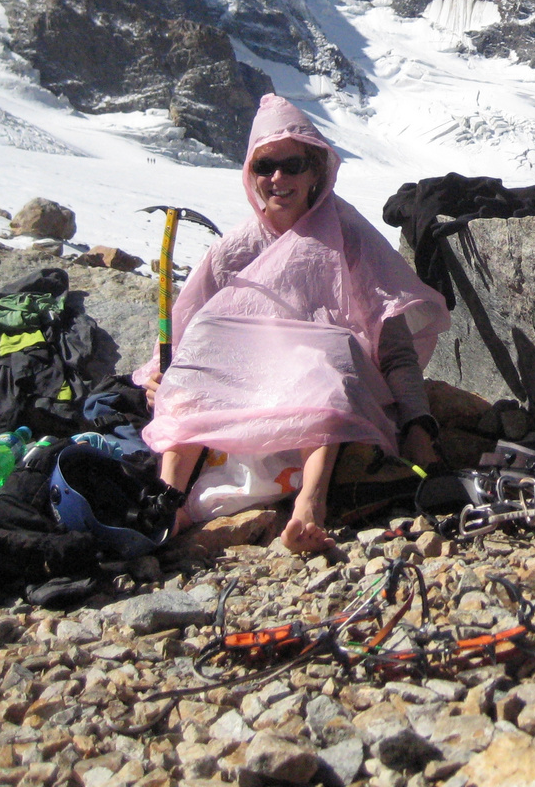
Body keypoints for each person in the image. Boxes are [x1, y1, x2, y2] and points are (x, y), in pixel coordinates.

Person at [135, 95, 450, 552]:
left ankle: (310, 503)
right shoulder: (236, 248)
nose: (277, 179)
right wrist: (163, 377)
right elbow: (188, 335)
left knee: (326, 357)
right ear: (251, 174)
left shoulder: (350, 237)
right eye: (265, 167)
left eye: (292, 164)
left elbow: (395, 348)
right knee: (194, 363)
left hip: (331, 398)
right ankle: (172, 501)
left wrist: (419, 424)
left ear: (316, 171)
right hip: (248, 391)